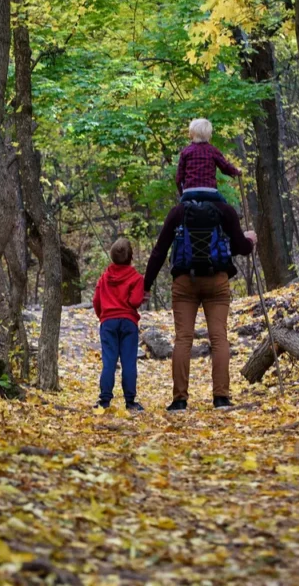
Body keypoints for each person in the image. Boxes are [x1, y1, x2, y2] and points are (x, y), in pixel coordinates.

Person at [143, 197, 256, 411]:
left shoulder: (178, 212)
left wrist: (146, 285)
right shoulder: (224, 210)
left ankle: (179, 401)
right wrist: (249, 240)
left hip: (185, 282)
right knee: (219, 337)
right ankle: (221, 397)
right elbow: (240, 247)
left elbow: (160, 251)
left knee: (183, 338)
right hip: (217, 281)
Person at [92, 237, 146, 412]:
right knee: (129, 362)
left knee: (109, 361)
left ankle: (104, 399)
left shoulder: (104, 278)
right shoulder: (136, 278)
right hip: (128, 323)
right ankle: (130, 401)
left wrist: (103, 317)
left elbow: (96, 301)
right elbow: (136, 301)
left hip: (108, 323)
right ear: (131, 257)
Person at [175, 118, 242, 204]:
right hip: (210, 192)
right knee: (229, 212)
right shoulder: (212, 150)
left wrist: (183, 194)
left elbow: (178, 178)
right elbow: (225, 167)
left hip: (190, 192)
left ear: (191, 134)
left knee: (173, 215)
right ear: (209, 135)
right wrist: (236, 171)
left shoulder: (185, 152)